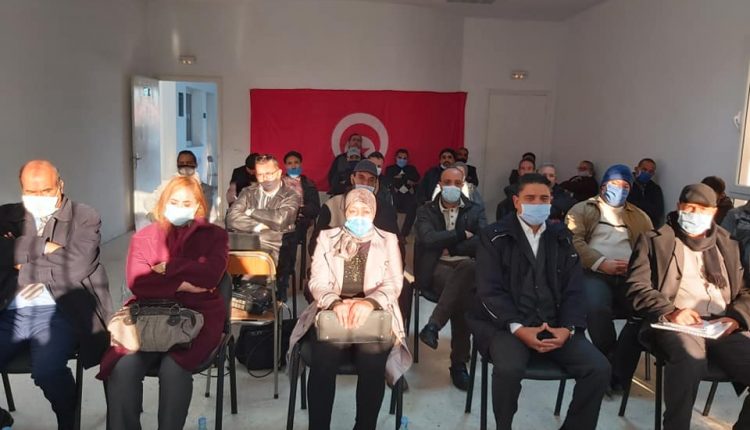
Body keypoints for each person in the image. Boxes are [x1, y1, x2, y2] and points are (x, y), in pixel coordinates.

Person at [468, 173, 610, 430]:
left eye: (543, 199)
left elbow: (574, 290)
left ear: (551, 201)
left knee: (598, 368)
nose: (537, 204)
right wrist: (518, 328)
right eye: (530, 198)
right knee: (508, 369)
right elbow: (489, 290)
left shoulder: (561, 237)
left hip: (555, 324)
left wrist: (567, 328)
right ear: (516, 201)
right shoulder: (495, 237)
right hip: (508, 327)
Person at [99, 176, 228, 430]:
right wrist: (183, 283)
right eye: (174, 202)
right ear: (163, 203)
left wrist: (169, 267)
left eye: (186, 203)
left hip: (198, 316)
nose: (179, 207)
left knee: (174, 368)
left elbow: (211, 275)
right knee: (122, 366)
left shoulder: (215, 235)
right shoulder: (144, 237)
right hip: (149, 314)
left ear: (198, 205)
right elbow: (138, 282)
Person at [626, 183, 750, 430]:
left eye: (702, 209)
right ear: (678, 207)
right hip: (677, 324)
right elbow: (636, 287)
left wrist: (736, 318)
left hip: (721, 324)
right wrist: (670, 312)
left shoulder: (728, 243)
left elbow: (744, 291)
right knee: (690, 360)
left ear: (714, 212)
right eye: (689, 208)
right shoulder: (655, 240)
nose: (695, 214)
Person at [0, 160, 113, 430]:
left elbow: (75, 266)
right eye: (31, 192)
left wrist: (20, 264)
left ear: (61, 185)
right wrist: (43, 246)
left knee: (47, 370)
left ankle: (68, 417)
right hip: (11, 309)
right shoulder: (6, 214)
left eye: (46, 191)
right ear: (21, 189)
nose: (39, 198)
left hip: (61, 310)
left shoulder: (84, 216)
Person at [288, 188, 412, 430]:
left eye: (365, 211)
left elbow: (394, 283)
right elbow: (317, 281)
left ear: (373, 213)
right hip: (332, 312)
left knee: (373, 360)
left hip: (375, 313)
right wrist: (335, 303)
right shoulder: (327, 237)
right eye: (353, 210)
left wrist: (368, 303)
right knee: (324, 359)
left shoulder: (388, 240)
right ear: (345, 212)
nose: (359, 216)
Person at [565, 164, 652, 390]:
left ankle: (617, 369)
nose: (620, 189)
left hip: (629, 275)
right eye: (614, 184)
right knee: (595, 307)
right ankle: (608, 360)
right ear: (603, 185)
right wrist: (602, 263)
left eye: (625, 186)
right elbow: (573, 241)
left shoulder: (640, 216)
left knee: (644, 310)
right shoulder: (582, 209)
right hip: (594, 272)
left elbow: (650, 247)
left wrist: (634, 267)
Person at [416, 166, 487, 390]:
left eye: (457, 183)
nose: (452, 187)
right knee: (465, 294)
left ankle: (433, 326)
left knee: (466, 272)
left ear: (463, 185)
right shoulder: (426, 210)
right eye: (447, 183)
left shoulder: (475, 210)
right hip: (437, 267)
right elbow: (428, 239)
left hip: (466, 266)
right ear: (440, 184)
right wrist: (460, 234)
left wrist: (450, 245)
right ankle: (458, 364)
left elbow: (483, 241)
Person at [310, 160, 401, 258]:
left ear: (376, 184)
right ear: (352, 179)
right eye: (361, 178)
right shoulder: (332, 205)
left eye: (371, 180)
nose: (365, 183)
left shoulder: (386, 210)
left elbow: (398, 249)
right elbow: (314, 246)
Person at [226, 154, 301, 263]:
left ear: (279, 173)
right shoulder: (247, 192)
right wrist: (258, 226)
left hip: (279, 251)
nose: (265, 178)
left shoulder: (291, 195)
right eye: (260, 174)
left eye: (269, 174)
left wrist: (250, 211)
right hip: (249, 247)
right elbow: (231, 218)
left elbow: (280, 220)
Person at [276, 151, 321, 301]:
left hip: (298, 223)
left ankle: (282, 283)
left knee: (288, 238)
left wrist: (299, 209)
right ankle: (268, 278)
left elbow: (315, 208)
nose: (293, 165)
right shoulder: (278, 183)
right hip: (278, 221)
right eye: (290, 163)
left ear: (300, 164)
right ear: (285, 166)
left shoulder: (308, 184)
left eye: (296, 162)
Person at [142, 150, 214, 229]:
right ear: (177, 165)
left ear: (196, 164)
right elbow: (149, 201)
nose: (185, 165)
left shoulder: (205, 189)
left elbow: (204, 213)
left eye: (189, 163)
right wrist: (161, 214)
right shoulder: (168, 184)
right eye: (181, 163)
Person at [384, 149, 420, 238]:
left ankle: (403, 234)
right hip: (395, 195)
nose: (402, 160)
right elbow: (389, 180)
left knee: (414, 206)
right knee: (390, 204)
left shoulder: (411, 168)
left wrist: (401, 178)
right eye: (400, 157)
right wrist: (406, 180)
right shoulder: (390, 169)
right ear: (395, 158)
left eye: (404, 158)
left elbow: (416, 178)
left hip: (408, 195)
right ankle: (394, 233)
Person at [626, 158, 665, 227]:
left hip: (648, 226)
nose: (647, 173)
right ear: (636, 169)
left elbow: (658, 212)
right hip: (628, 224)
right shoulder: (626, 184)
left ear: (653, 174)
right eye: (644, 169)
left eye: (650, 171)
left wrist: (638, 204)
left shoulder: (655, 188)